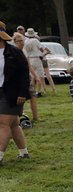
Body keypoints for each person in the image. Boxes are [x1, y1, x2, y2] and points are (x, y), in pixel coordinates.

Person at [0, 21, 31, 166]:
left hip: (12, 93)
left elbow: (25, 74)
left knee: (3, 124)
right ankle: (23, 153)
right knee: (14, 124)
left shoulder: (14, 53)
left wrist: (23, 93)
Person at [12, 32, 38, 121]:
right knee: (21, 98)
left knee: (33, 95)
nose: (21, 43)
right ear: (15, 42)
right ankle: (19, 116)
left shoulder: (24, 51)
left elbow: (28, 64)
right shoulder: (13, 51)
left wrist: (35, 76)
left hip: (27, 77)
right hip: (18, 79)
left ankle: (35, 117)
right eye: (19, 41)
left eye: (22, 40)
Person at [23, 28, 45, 95]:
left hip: (29, 59)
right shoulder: (36, 40)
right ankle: (38, 91)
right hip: (36, 59)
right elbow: (42, 49)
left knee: (32, 76)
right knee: (39, 76)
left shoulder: (25, 41)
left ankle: (32, 90)